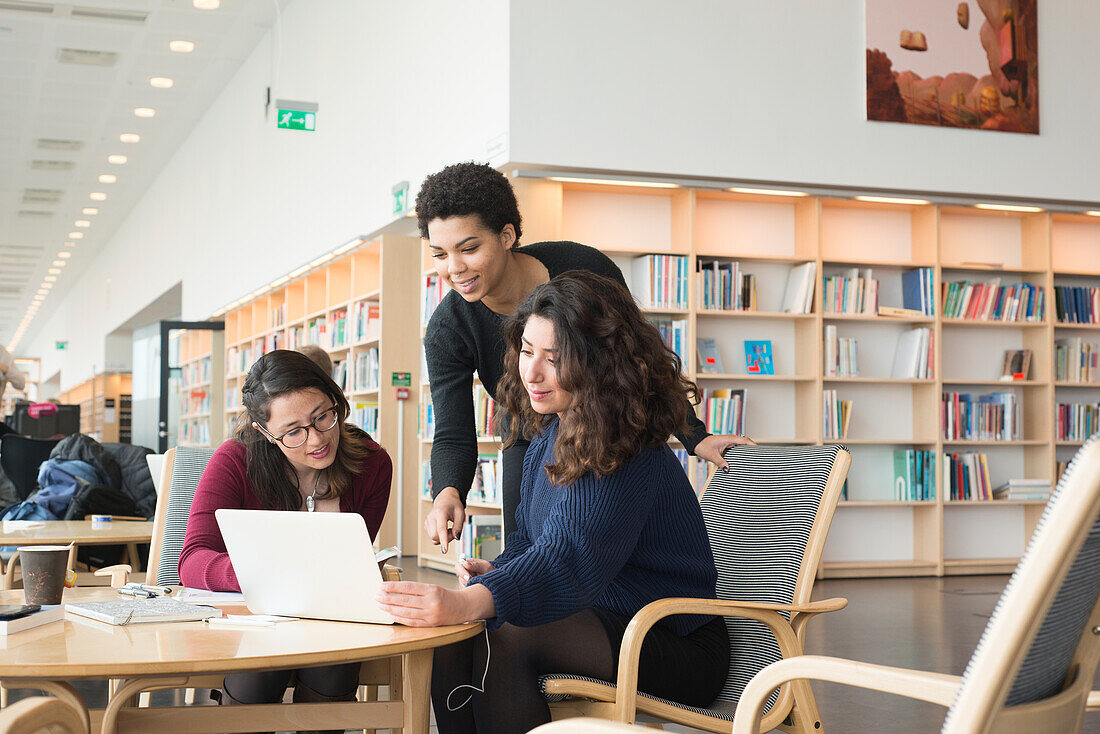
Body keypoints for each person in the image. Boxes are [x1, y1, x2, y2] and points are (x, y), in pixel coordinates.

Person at [377, 271, 730, 733]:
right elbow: (531, 541)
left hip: (670, 637)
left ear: (600, 361)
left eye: (555, 358)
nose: (531, 373)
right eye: (526, 351)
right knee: (458, 636)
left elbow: (568, 558)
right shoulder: (551, 434)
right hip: (602, 618)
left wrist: (472, 602)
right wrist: (499, 573)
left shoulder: (628, 444)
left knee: (508, 633)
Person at [418, 161, 752, 548]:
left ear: (507, 235)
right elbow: (454, 430)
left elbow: (641, 359)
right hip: (528, 437)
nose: (454, 268)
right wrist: (448, 491)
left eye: (469, 248)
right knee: (524, 556)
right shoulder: (447, 329)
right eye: (439, 254)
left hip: (612, 427)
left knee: (617, 555)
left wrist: (695, 437)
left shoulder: (584, 268)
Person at [178, 349, 392, 730]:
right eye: (293, 431)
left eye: (323, 416)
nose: (316, 439)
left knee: (332, 667)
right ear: (265, 432)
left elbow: (350, 559)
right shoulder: (235, 461)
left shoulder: (372, 464)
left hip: (331, 616)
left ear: (335, 398)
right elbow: (192, 560)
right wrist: (265, 573)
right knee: (259, 668)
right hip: (256, 618)